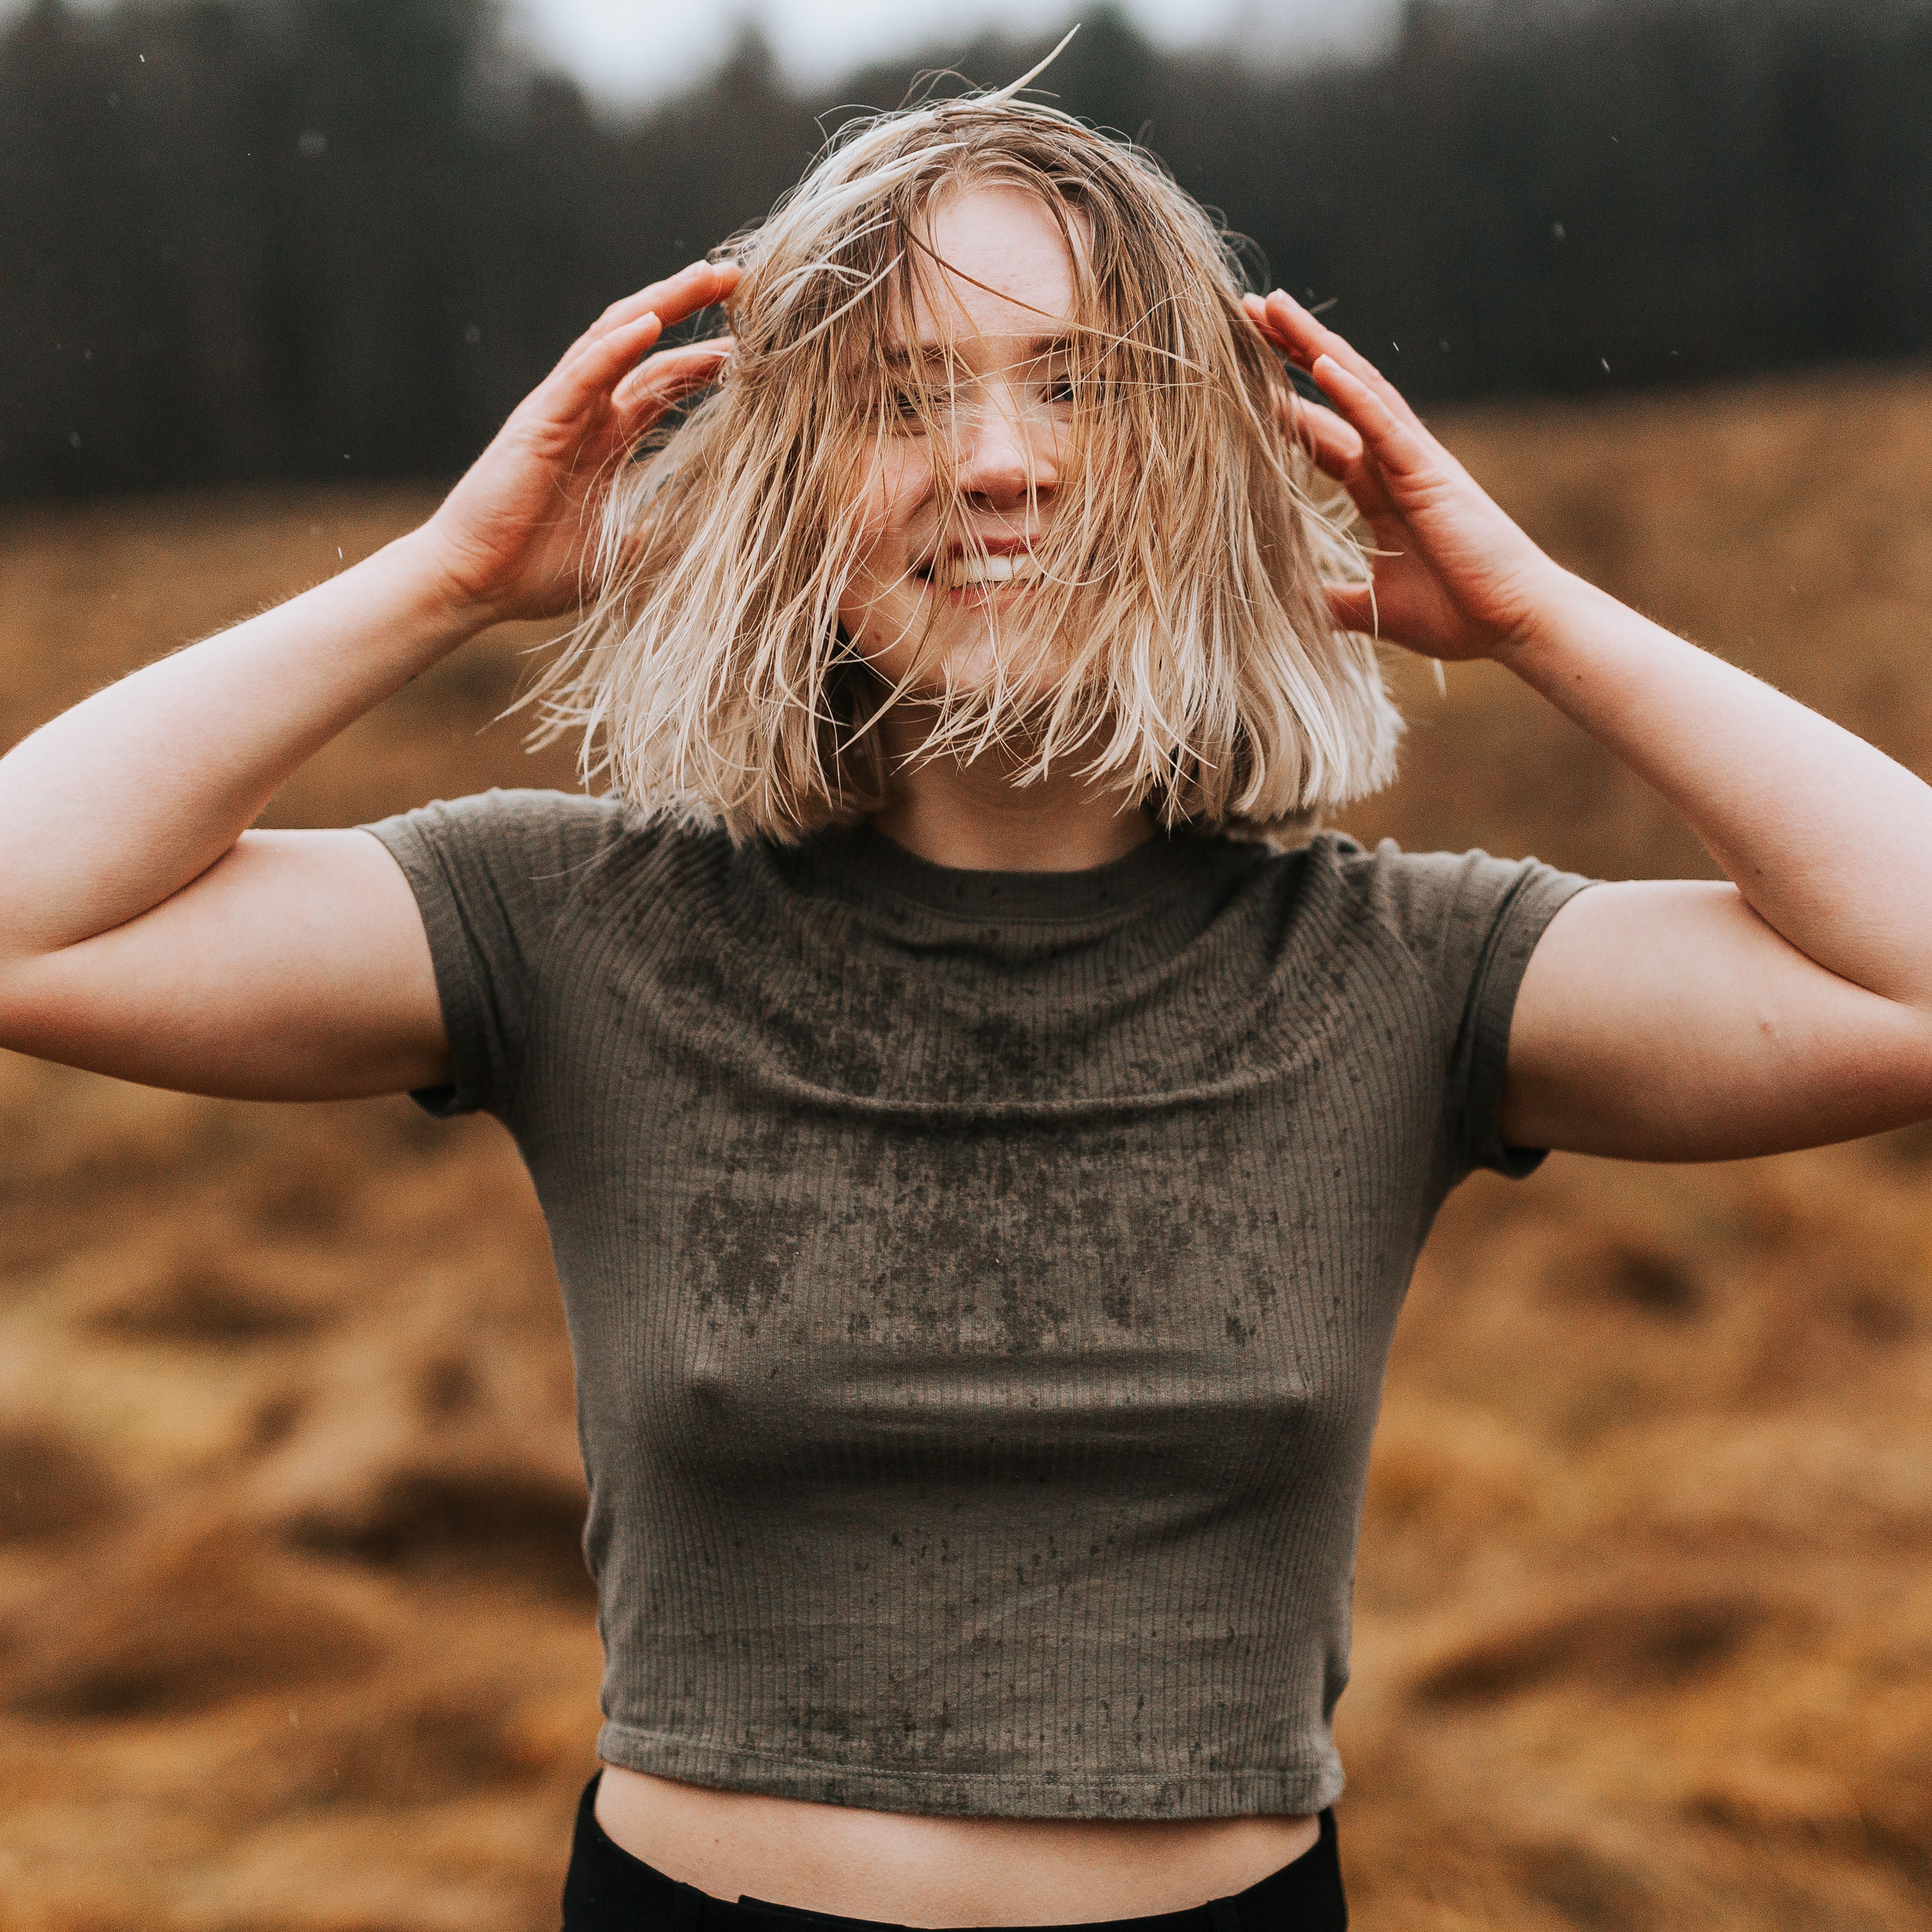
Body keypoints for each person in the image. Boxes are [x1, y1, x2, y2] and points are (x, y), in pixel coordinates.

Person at [3, 82, 1930, 1932]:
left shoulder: (1403, 970)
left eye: (1084, 385)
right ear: (789, 492)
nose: (999, 463)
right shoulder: (579, 922)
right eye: (899, 400)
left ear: (1199, 465)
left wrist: (1531, 618)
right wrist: (440, 582)